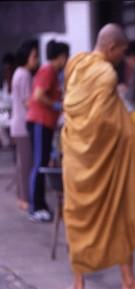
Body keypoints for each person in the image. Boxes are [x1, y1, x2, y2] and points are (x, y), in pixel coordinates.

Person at [61, 23, 135, 289]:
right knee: (119, 212)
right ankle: (128, 282)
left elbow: (75, 110)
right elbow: (104, 124)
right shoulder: (105, 74)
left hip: (76, 156)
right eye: (122, 52)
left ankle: (78, 285)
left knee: (77, 216)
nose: (123, 58)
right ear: (111, 48)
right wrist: (133, 134)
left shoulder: (76, 64)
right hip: (102, 160)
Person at [26, 40, 69, 222]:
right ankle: (35, 207)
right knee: (39, 165)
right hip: (39, 122)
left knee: (42, 164)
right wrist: (56, 105)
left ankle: (41, 204)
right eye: (65, 57)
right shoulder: (48, 71)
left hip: (46, 123)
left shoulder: (54, 73)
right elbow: (38, 96)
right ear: (60, 57)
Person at [10, 40, 39, 211]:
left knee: (23, 165)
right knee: (26, 165)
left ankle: (22, 197)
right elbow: (28, 102)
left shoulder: (18, 73)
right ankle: (25, 199)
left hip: (18, 124)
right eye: (34, 56)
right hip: (23, 125)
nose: (36, 60)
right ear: (26, 58)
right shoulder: (25, 75)